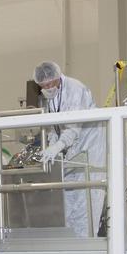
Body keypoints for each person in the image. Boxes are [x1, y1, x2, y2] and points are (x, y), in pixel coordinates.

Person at [33, 61, 106, 238]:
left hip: (89, 144)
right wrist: (50, 144)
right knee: (68, 198)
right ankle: (70, 243)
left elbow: (73, 126)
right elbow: (54, 126)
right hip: (72, 149)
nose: (48, 87)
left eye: (51, 84)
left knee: (86, 199)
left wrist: (57, 146)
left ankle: (86, 246)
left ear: (58, 77)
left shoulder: (74, 88)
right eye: (44, 85)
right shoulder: (51, 95)